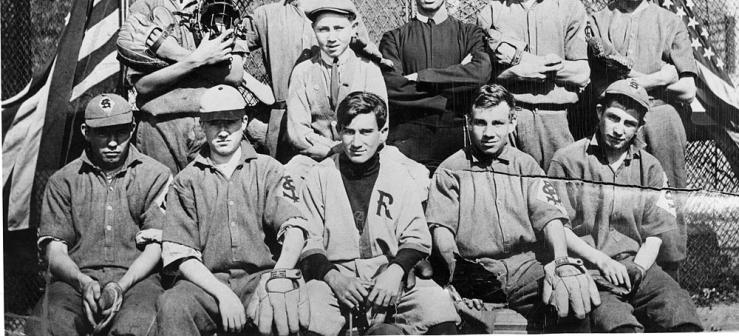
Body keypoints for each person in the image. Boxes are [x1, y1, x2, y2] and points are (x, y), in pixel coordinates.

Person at [425, 84, 598, 333]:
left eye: (497, 123)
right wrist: (458, 276)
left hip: (528, 268)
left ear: (512, 122)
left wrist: (561, 261)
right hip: (478, 271)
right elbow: (442, 232)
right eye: (480, 123)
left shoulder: (526, 165)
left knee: (571, 303)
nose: (488, 133)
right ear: (468, 122)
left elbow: (550, 217)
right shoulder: (449, 171)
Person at [299, 92, 460, 336]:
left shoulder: (398, 175)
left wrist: (396, 272)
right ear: (338, 130)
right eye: (349, 131)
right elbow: (308, 241)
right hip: (335, 280)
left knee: (437, 308)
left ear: (382, 133)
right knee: (308, 311)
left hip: (391, 276)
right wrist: (333, 278)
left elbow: (416, 237)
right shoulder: (319, 176)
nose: (356, 141)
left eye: (365, 132)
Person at [548, 79, 702, 332]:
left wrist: (639, 268)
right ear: (599, 113)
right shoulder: (568, 160)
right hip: (590, 269)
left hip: (637, 266)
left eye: (629, 123)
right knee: (618, 325)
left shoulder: (650, 167)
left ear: (639, 127)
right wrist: (602, 262)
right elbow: (557, 227)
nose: (619, 130)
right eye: (614, 118)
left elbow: (655, 234)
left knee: (681, 314)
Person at [156, 84, 311, 336]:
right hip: (208, 285)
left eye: (231, 122)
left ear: (245, 121)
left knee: (284, 304)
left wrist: (279, 275)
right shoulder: (186, 180)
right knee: (172, 304)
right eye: (214, 123)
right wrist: (223, 295)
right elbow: (181, 255)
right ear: (202, 125)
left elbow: (295, 227)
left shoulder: (268, 169)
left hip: (261, 279)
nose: (224, 131)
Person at [587, 0, 697, 276]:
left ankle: (672, 270)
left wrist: (638, 79)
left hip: (661, 118)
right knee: (617, 193)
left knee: (667, 193)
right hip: (617, 118)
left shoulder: (669, 21)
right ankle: (621, 269)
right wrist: (662, 74)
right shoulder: (599, 20)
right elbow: (601, 81)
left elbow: (687, 88)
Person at [27, 94, 171, 336]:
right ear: (86, 132)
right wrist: (83, 283)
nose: (113, 143)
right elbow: (55, 250)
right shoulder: (63, 181)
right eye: (103, 133)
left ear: (133, 128)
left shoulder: (156, 175)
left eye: (121, 132)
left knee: (141, 323)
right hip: (75, 281)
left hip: (137, 281)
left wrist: (121, 286)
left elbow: (155, 248)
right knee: (49, 322)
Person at [116, 0, 252, 175]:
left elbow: (235, 74)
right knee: (162, 203)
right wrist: (199, 59)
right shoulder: (143, 9)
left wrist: (171, 58)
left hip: (211, 124)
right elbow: (142, 85)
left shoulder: (221, 4)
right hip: (159, 126)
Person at [242, 0, 384, 160]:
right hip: (285, 125)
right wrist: (258, 89)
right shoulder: (266, 15)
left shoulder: (342, 9)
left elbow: (367, 54)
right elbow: (230, 50)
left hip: (339, 126)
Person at [476, 0, 590, 171]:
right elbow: (483, 75)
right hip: (509, 122)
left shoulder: (569, 7)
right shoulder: (492, 12)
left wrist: (535, 66)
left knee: (561, 195)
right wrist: (516, 72)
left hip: (558, 120)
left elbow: (581, 72)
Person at [379, 0, 491, 171]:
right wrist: (455, 88)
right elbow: (392, 88)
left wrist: (422, 77)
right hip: (408, 141)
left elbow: (480, 74)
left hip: (457, 141)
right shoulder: (394, 38)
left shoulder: (469, 34)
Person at [286, 0, 387, 161]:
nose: (331, 38)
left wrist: (336, 150)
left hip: (362, 156)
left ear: (354, 28)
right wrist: (329, 152)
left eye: (339, 28)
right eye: (323, 30)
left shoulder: (369, 70)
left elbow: (382, 128)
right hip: (314, 157)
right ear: (314, 30)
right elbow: (298, 132)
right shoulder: (302, 72)